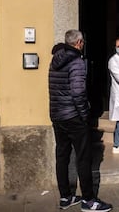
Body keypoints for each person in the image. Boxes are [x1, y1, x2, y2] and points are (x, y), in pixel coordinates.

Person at [48, 29, 112, 211]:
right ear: (77, 43)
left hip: (57, 115)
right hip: (73, 117)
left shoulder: (55, 60)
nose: (83, 45)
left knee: (62, 155)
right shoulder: (76, 62)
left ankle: (66, 197)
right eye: (82, 42)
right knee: (84, 158)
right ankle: (89, 200)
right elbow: (78, 93)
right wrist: (85, 115)